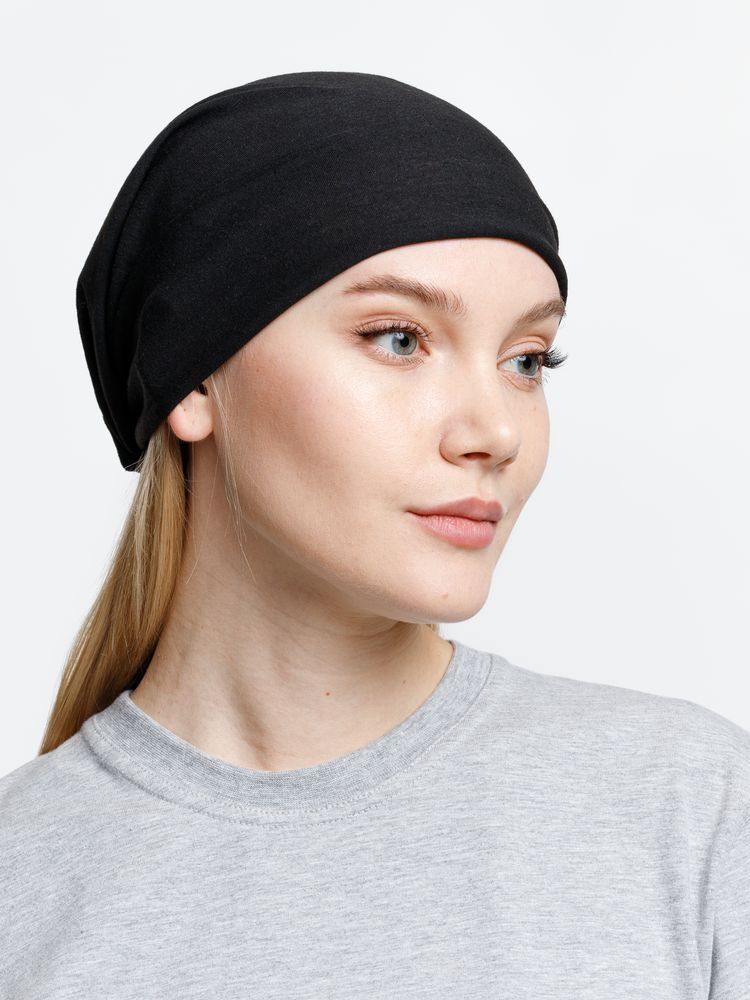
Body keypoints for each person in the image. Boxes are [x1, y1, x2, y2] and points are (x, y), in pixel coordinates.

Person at [1, 71, 747, 999]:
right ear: (192, 378)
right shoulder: (23, 883)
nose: (496, 431)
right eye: (400, 338)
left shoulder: (694, 810)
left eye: (527, 360)